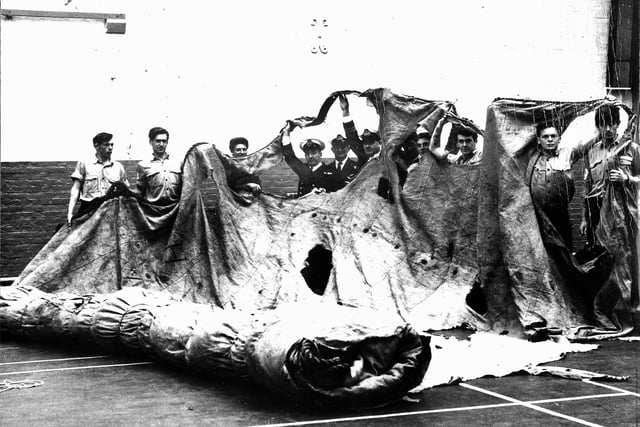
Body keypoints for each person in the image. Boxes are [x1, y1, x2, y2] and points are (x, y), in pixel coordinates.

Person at [526, 122, 600, 250]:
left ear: (559, 138)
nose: (550, 139)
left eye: (553, 136)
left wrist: (601, 121)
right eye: (545, 136)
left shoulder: (567, 155)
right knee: (542, 253)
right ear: (538, 140)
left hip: (561, 215)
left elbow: (589, 143)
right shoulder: (531, 159)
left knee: (564, 251)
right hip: (538, 217)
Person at [67, 132, 129, 226]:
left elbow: (126, 193)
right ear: (96, 146)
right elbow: (75, 189)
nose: (110, 148)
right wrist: (70, 213)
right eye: (106, 144)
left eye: (112, 145)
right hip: (88, 211)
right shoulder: (84, 164)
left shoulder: (118, 167)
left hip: (111, 212)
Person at [281, 122, 337, 196]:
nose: (310, 156)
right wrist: (286, 133)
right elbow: (290, 157)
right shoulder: (303, 169)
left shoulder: (330, 171)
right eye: (307, 153)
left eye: (314, 152)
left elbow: (337, 193)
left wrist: (325, 192)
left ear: (320, 154)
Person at [136, 127, 183, 205]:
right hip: (154, 212)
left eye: (164, 141)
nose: (161, 144)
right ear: (151, 142)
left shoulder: (178, 163)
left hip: (175, 210)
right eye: (158, 141)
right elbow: (140, 191)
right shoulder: (143, 165)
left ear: (167, 142)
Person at [338, 94, 381, 162]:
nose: (367, 145)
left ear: (380, 143)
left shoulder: (390, 155)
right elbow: (351, 136)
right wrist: (345, 111)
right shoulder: (362, 156)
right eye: (364, 142)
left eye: (371, 141)